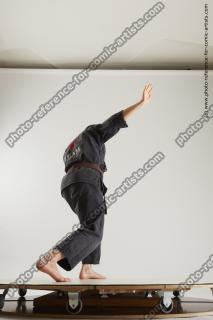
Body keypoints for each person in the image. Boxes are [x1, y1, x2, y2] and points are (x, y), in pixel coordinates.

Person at [36, 84, 153, 282]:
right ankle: (50, 259)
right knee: (92, 230)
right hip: (86, 180)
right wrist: (141, 103)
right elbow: (115, 121)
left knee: (91, 224)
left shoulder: (70, 148)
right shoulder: (92, 132)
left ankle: (87, 269)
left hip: (70, 184)